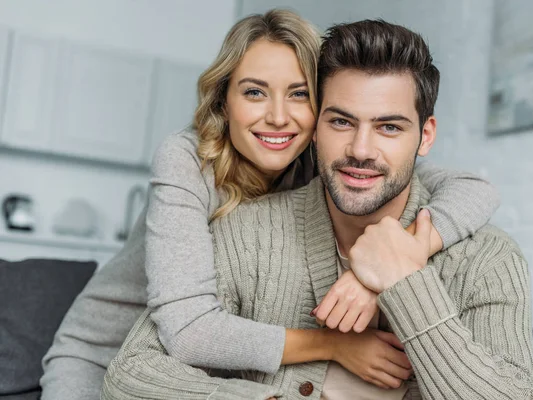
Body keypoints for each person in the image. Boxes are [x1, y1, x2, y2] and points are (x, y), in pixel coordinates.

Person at [41, 11, 500, 400]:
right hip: (102, 354)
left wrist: (390, 263)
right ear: (225, 100)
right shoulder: (187, 159)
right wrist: (333, 346)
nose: (278, 116)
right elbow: (189, 331)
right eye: (255, 91)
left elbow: (473, 188)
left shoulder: (323, 161)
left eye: (299, 93)